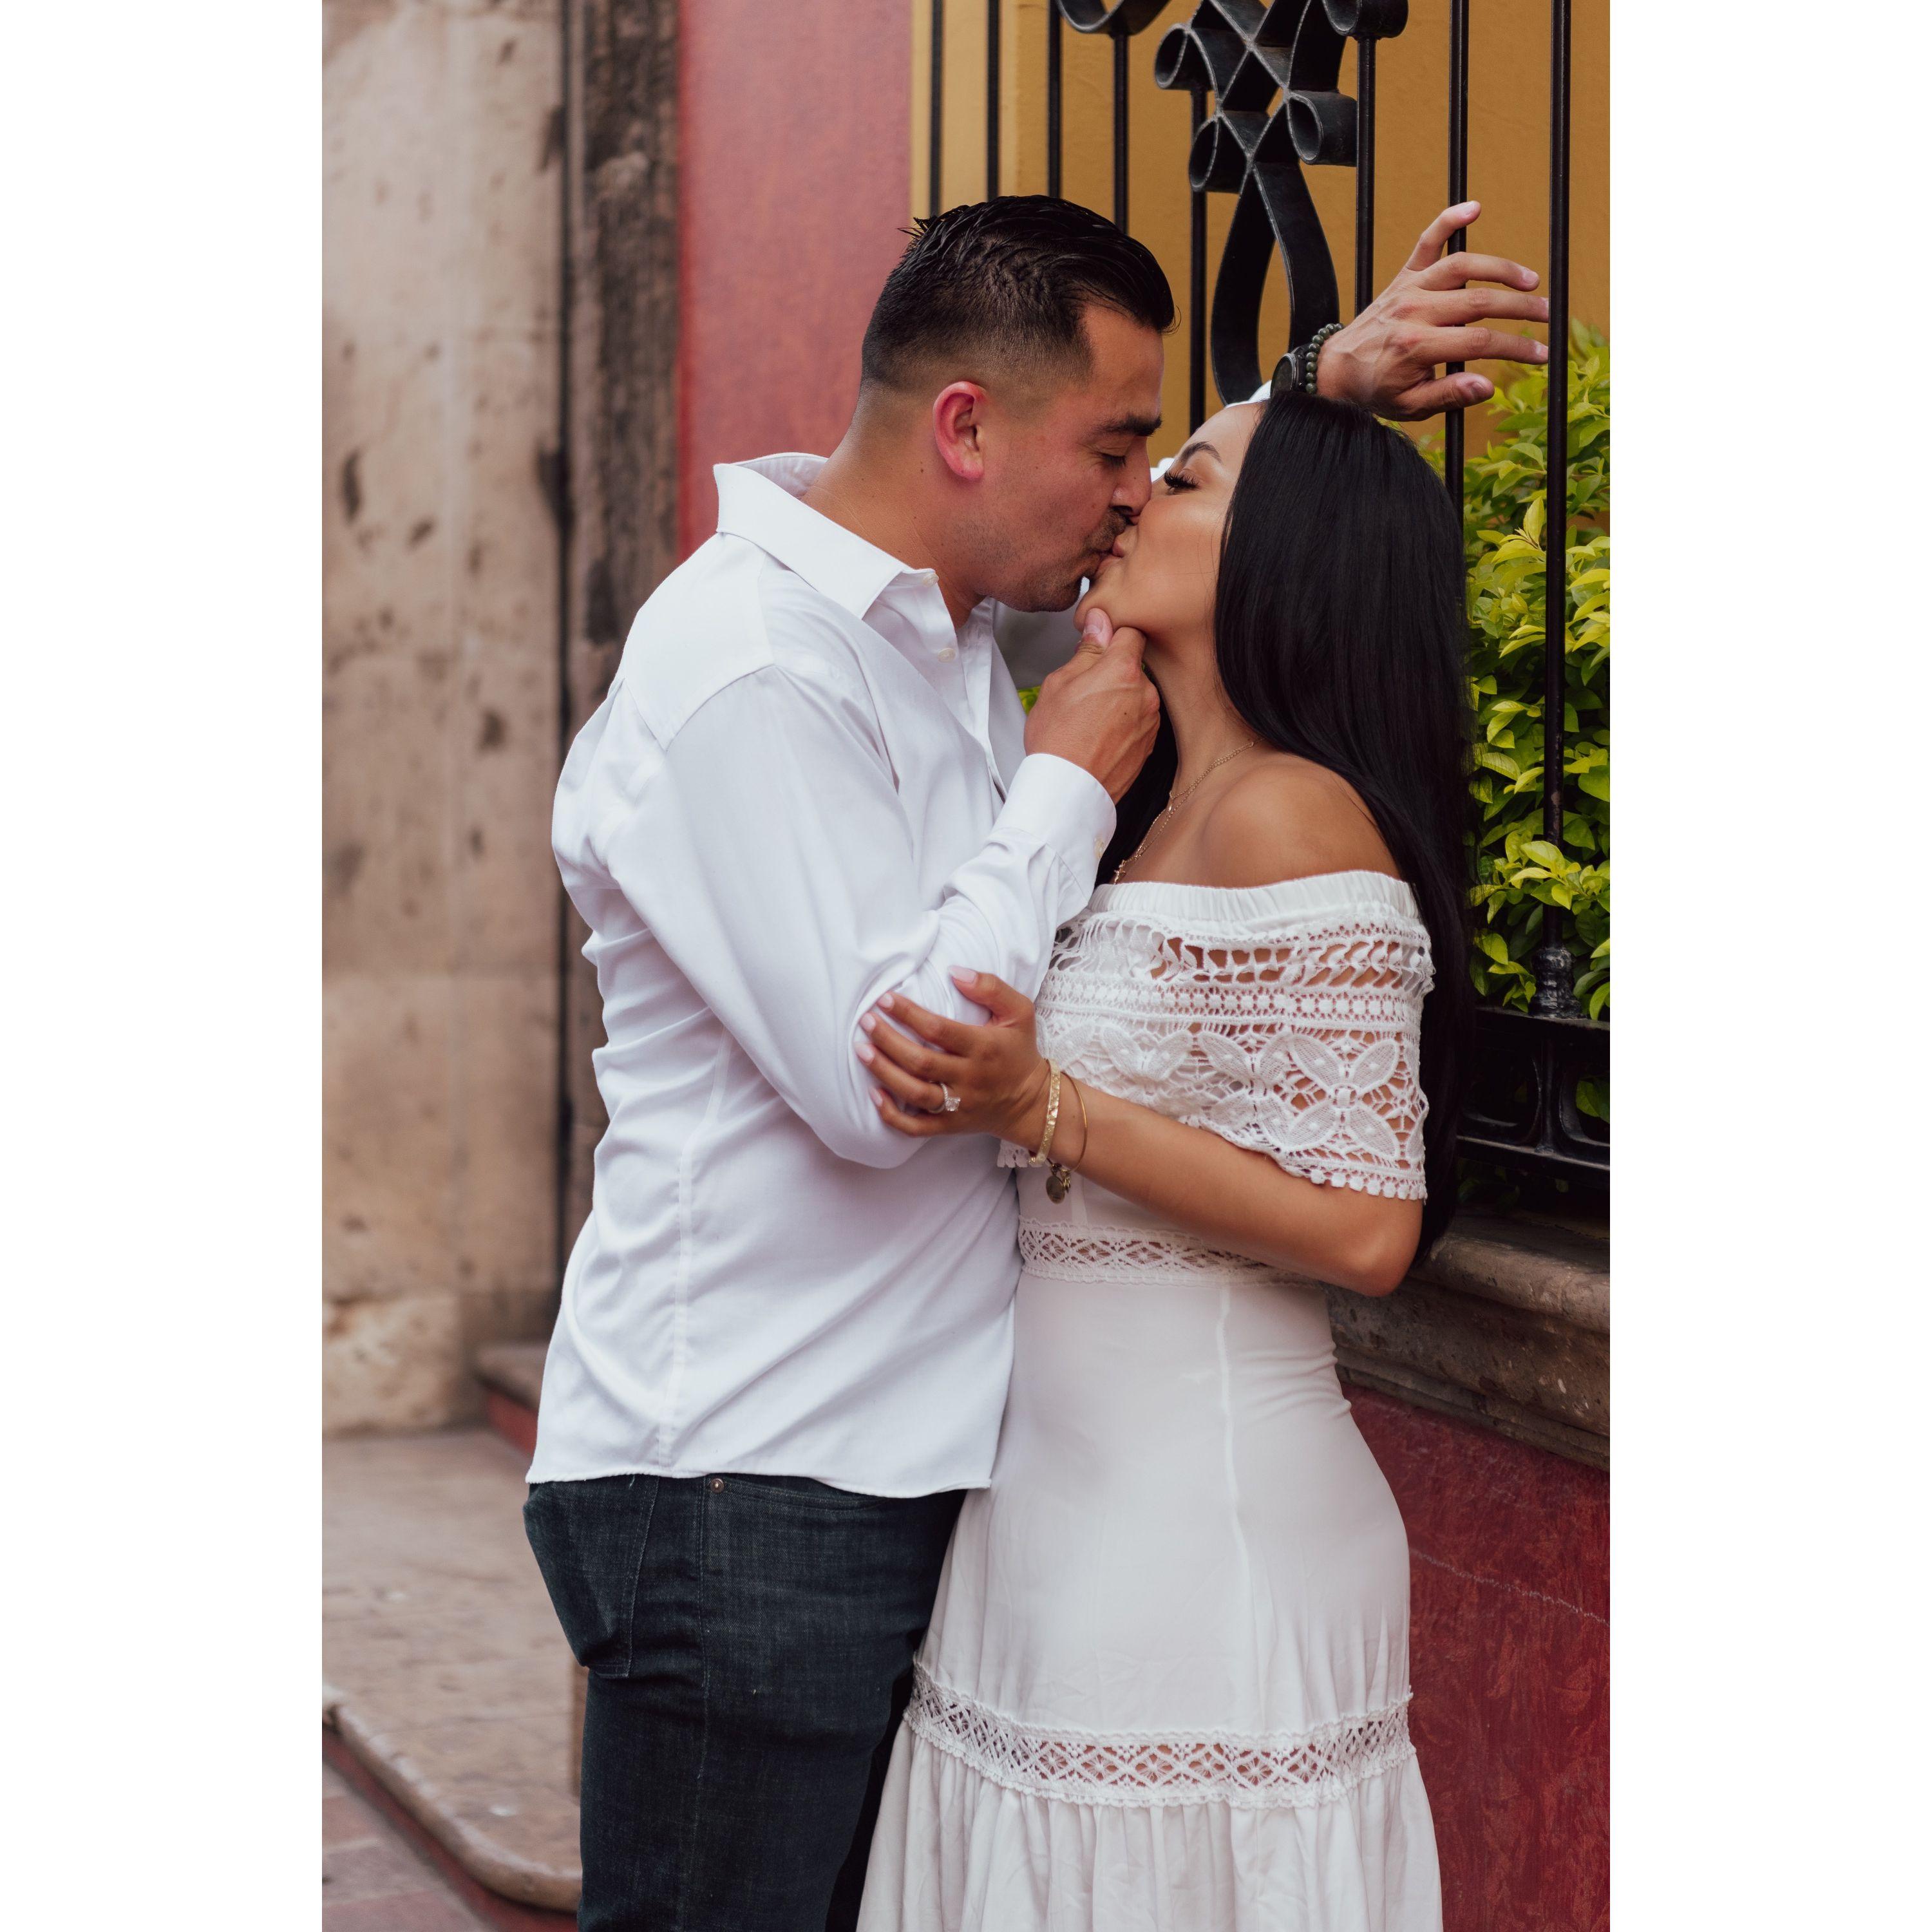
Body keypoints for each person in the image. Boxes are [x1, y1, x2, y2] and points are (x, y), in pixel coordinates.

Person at [522, 194, 1546, 1932]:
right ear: (964, 429)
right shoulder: (759, 668)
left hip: (961, 1485)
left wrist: (1314, 391)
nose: (1134, 493)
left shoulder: (942, 633)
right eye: (1123, 452)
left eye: (1169, 464)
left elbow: (1191, 510)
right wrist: (1065, 783)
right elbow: (892, 1079)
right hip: (754, 1479)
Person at [850, 390, 1469, 1930]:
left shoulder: (1292, 815)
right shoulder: (1158, 815)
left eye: (1181, 481)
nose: (1131, 500)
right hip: (1049, 1516)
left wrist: (1044, 1108)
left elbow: (1368, 1228)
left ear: (1287, 552)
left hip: (1204, 1528)